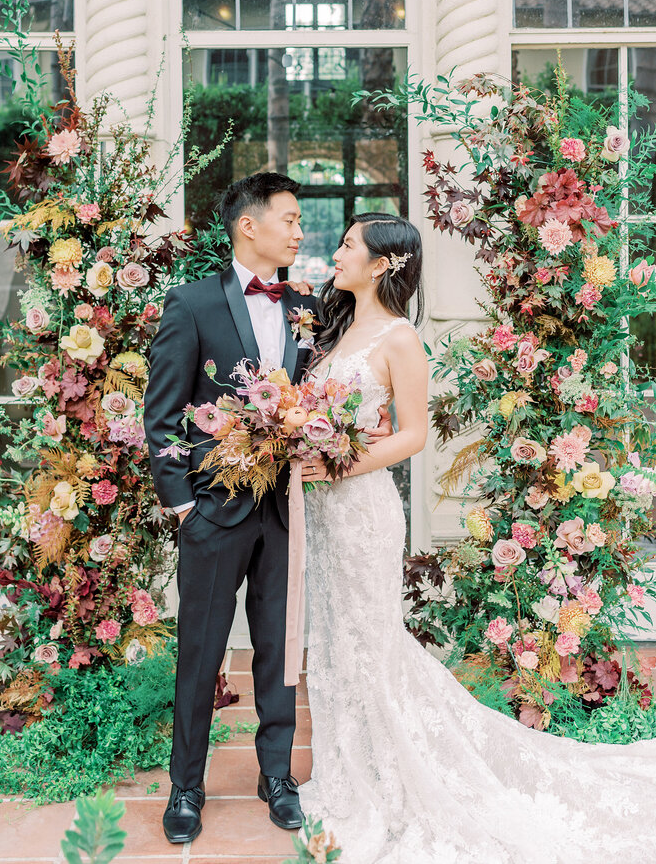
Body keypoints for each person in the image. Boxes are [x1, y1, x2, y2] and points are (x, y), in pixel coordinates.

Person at [299, 211, 656, 864]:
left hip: (361, 510)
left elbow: (412, 435)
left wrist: (336, 464)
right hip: (323, 514)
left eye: (350, 243)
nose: (338, 250)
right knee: (336, 638)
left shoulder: (399, 337)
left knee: (370, 643)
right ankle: (346, 767)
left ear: (384, 262)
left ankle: (390, 774)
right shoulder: (336, 325)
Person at [143, 173, 390, 845]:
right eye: (287, 218)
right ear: (247, 225)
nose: (298, 231)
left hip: (288, 513)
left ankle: (276, 775)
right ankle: (185, 785)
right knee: (199, 651)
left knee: (283, 651)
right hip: (213, 513)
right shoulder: (191, 305)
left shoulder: (306, 306)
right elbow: (161, 416)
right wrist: (184, 505)